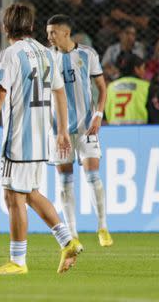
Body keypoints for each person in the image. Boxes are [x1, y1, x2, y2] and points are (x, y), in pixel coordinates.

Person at [0, 3, 79, 275]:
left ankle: (18, 261)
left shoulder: (11, 54)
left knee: (13, 197)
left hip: (18, 137)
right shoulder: (47, 54)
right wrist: (61, 131)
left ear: (5, 27)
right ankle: (67, 240)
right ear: (32, 27)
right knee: (30, 193)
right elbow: (59, 92)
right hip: (40, 136)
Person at [46, 15, 112, 249]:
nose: (49, 36)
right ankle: (72, 234)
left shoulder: (87, 54)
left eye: (53, 32)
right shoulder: (48, 57)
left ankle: (102, 227)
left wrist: (98, 115)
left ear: (66, 32)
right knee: (65, 181)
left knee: (93, 174)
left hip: (86, 126)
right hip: (58, 129)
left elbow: (102, 88)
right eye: (48, 32)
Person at [104, 53, 152, 125]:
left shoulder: (110, 87)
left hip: (114, 130)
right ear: (136, 69)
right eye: (143, 68)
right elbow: (153, 114)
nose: (144, 72)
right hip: (138, 131)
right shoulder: (145, 86)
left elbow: (105, 114)